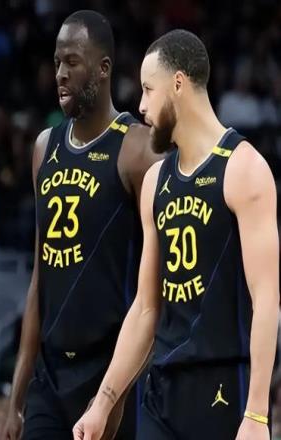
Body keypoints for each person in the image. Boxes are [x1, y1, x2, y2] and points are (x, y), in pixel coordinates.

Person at [73, 29, 279, 440]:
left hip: (223, 390)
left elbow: (267, 300)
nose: (141, 105)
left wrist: (257, 413)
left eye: (149, 90)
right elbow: (145, 308)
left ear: (178, 84)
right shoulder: (155, 181)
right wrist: (103, 403)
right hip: (162, 393)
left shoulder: (244, 169)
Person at [2, 10, 161, 440]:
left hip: (110, 369)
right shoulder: (44, 147)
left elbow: (158, 289)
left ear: (103, 68)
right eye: (57, 62)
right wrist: (16, 399)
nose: (60, 73)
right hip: (50, 377)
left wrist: (117, 390)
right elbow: (40, 278)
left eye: (72, 61)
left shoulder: (138, 150)